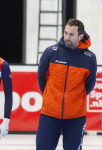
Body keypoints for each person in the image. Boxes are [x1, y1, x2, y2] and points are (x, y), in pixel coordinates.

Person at [37, 18, 97, 150]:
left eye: (71, 34)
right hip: (49, 115)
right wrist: (49, 97)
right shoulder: (50, 52)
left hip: (75, 117)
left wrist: (75, 100)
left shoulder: (90, 58)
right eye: (65, 33)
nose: (67, 37)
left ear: (80, 36)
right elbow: (41, 78)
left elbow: (90, 84)